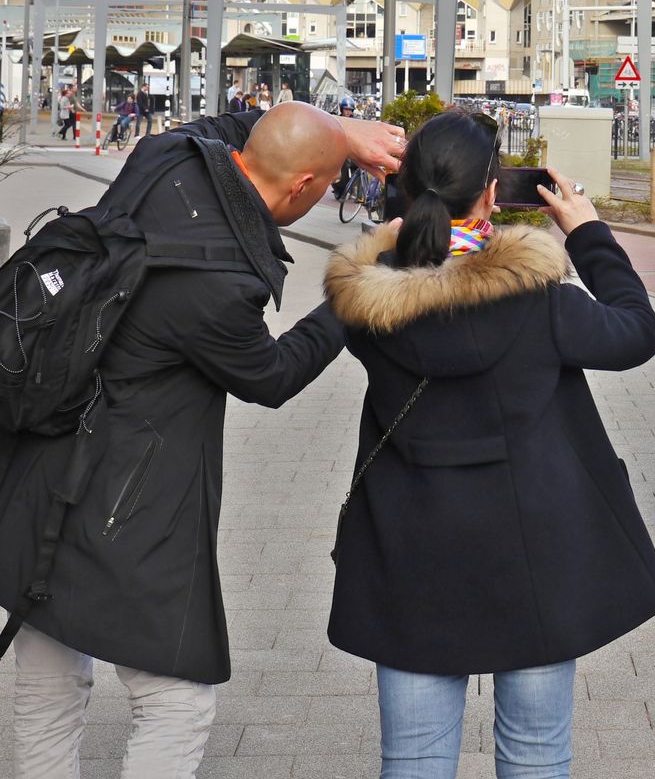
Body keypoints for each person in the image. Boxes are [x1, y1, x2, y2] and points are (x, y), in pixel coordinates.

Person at [0, 102, 409, 778]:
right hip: (123, 504)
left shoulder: (162, 162)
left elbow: (222, 126)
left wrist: (343, 134)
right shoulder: (215, 282)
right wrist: (356, 282)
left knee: (47, 679)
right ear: (305, 186)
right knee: (176, 698)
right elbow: (274, 376)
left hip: (40, 462)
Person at [322, 109, 655, 778]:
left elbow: (392, 263)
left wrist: (389, 239)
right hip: (536, 550)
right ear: (491, 192)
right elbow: (637, 332)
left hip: (410, 551)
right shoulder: (542, 301)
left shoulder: (367, 305)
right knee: (536, 756)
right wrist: (589, 234)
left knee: (415, 761)